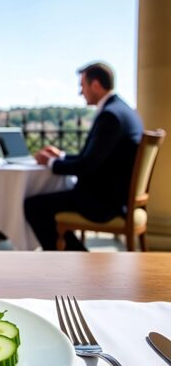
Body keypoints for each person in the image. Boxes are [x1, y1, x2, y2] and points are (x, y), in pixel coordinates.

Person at [24, 62, 143, 251]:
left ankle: (74, 258)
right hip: (116, 197)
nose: (80, 92)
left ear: (95, 85)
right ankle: (76, 256)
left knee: (33, 206)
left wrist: (51, 162)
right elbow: (94, 158)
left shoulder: (110, 116)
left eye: (82, 86)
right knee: (42, 203)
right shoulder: (123, 110)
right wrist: (61, 156)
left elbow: (86, 166)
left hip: (103, 202)